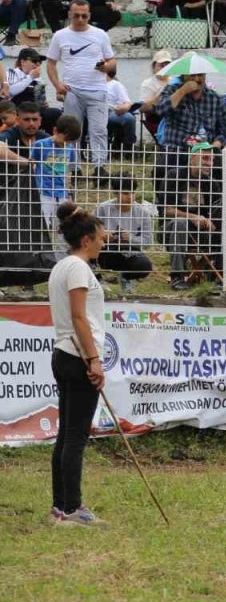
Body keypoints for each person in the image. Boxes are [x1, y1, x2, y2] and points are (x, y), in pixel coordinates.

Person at [47, 203, 109, 527]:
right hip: (78, 355)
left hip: (64, 353)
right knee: (75, 437)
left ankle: (60, 506)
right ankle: (72, 507)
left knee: (66, 435)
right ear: (86, 240)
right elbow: (78, 317)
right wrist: (94, 359)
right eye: (100, 238)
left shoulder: (62, 266)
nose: (103, 242)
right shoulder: (78, 269)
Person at [46, 0, 115, 177]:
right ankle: (74, 168)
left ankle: (99, 167)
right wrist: (57, 84)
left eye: (84, 16)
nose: (80, 19)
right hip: (72, 90)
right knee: (72, 131)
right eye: (76, 15)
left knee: (99, 130)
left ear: (89, 15)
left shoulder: (100, 34)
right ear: (69, 14)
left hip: (97, 89)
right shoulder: (60, 35)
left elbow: (112, 61)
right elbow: (51, 63)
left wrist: (105, 67)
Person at [94, 174, 154, 292]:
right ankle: (97, 278)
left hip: (130, 251)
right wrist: (103, 235)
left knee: (145, 265)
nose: (130, 197)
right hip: (105, 250)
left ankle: (126, 277)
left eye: (132, 193)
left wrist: (130, 238)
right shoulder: (102, 208)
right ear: (116, 193)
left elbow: (148, 241)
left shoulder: (143, 212)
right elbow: (90, 232)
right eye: (125, 193)